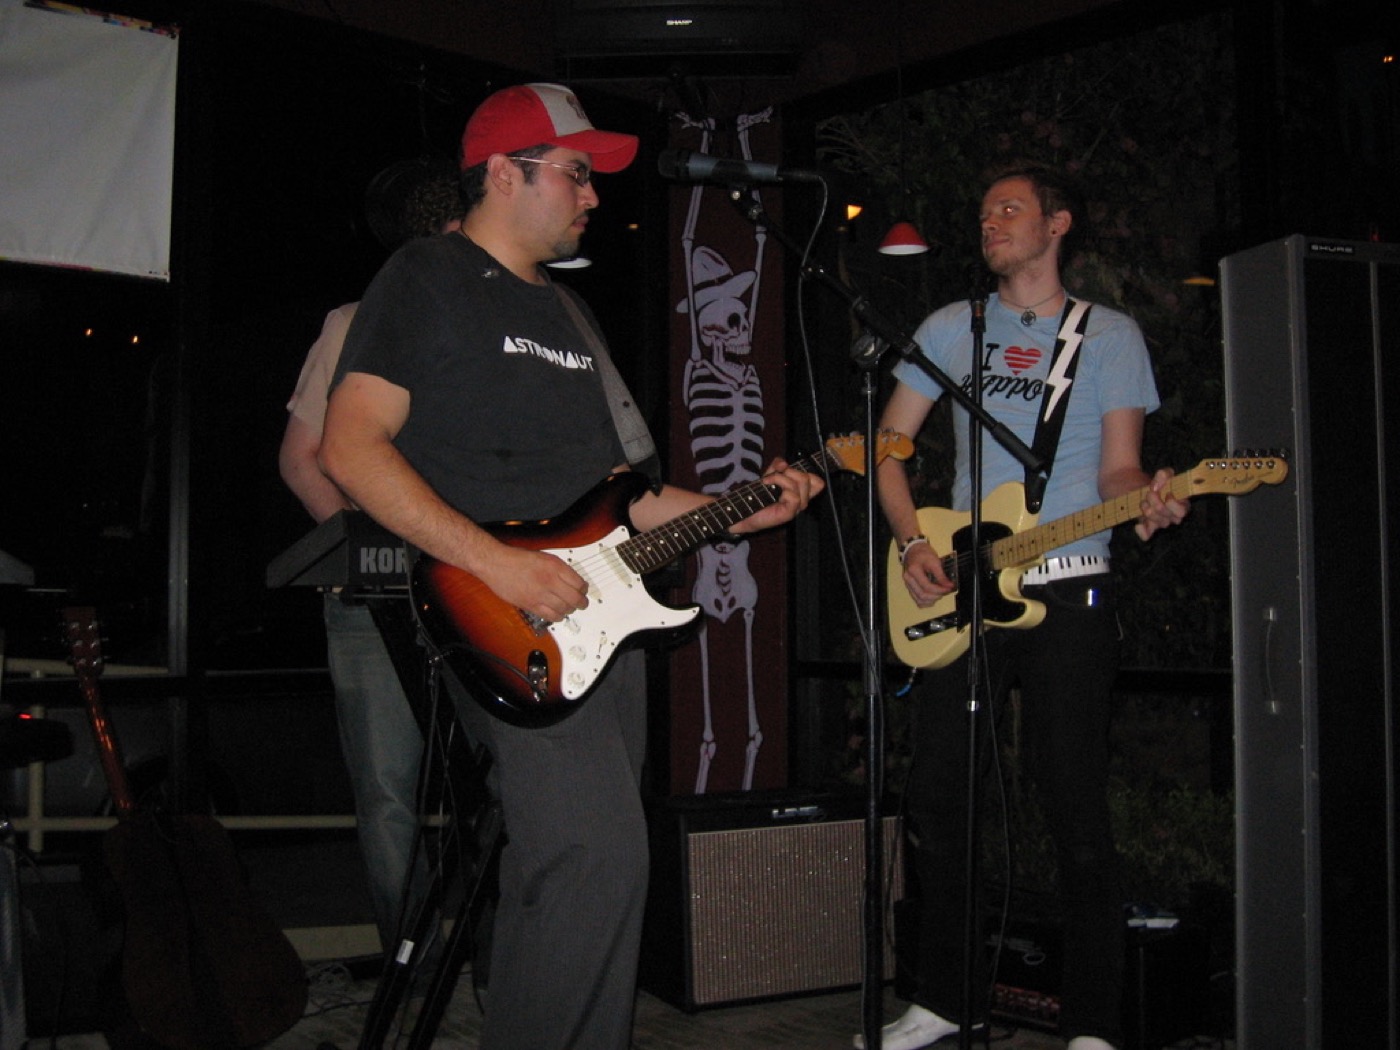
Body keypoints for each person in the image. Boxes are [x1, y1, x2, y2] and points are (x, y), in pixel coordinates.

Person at [317, 83, 824, 1050]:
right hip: (499, 615)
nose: (594, 196)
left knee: (574, 863)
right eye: (577, 172)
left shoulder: (572, 316)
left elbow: (623, 498)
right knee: (596, 857)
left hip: (600, 618)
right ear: (505, 173)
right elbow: (351, 448)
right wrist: (499, 568)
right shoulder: (426, 276)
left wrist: (749, 511)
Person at [864, 163, 1189, 1050]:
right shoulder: (949, 328)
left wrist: (1150, 500)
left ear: (1058, 225)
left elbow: (1120, 469)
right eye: (982, 213)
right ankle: (947, 997)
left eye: (1010, 209)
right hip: (965, 591)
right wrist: (911, 541)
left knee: (1074, 803)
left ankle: (1094, 1024)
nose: (990, 223)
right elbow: (885, 448)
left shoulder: (1111, 336)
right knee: (939, 799)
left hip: (1071, 584)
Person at [277, 157, 464, 959]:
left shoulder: (497, 328)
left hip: (478, 585)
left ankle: (504, 958)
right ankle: (410, 968)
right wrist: (370, 552)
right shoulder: (353, 322)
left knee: (500, 781)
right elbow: (303, 458)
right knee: (389, 792)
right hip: (372, 599)